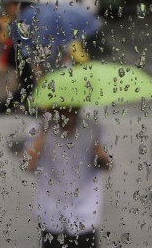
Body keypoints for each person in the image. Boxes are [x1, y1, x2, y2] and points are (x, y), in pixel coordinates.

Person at [23, 106, 111, 248]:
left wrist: (100, 155)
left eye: (71, 109)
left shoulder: (93, 128)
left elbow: (106, 165)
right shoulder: (37, 129)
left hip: (85, 212)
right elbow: (28, 165)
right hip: (51, 211)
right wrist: (43, 133)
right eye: (61, 109)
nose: (66, 114)